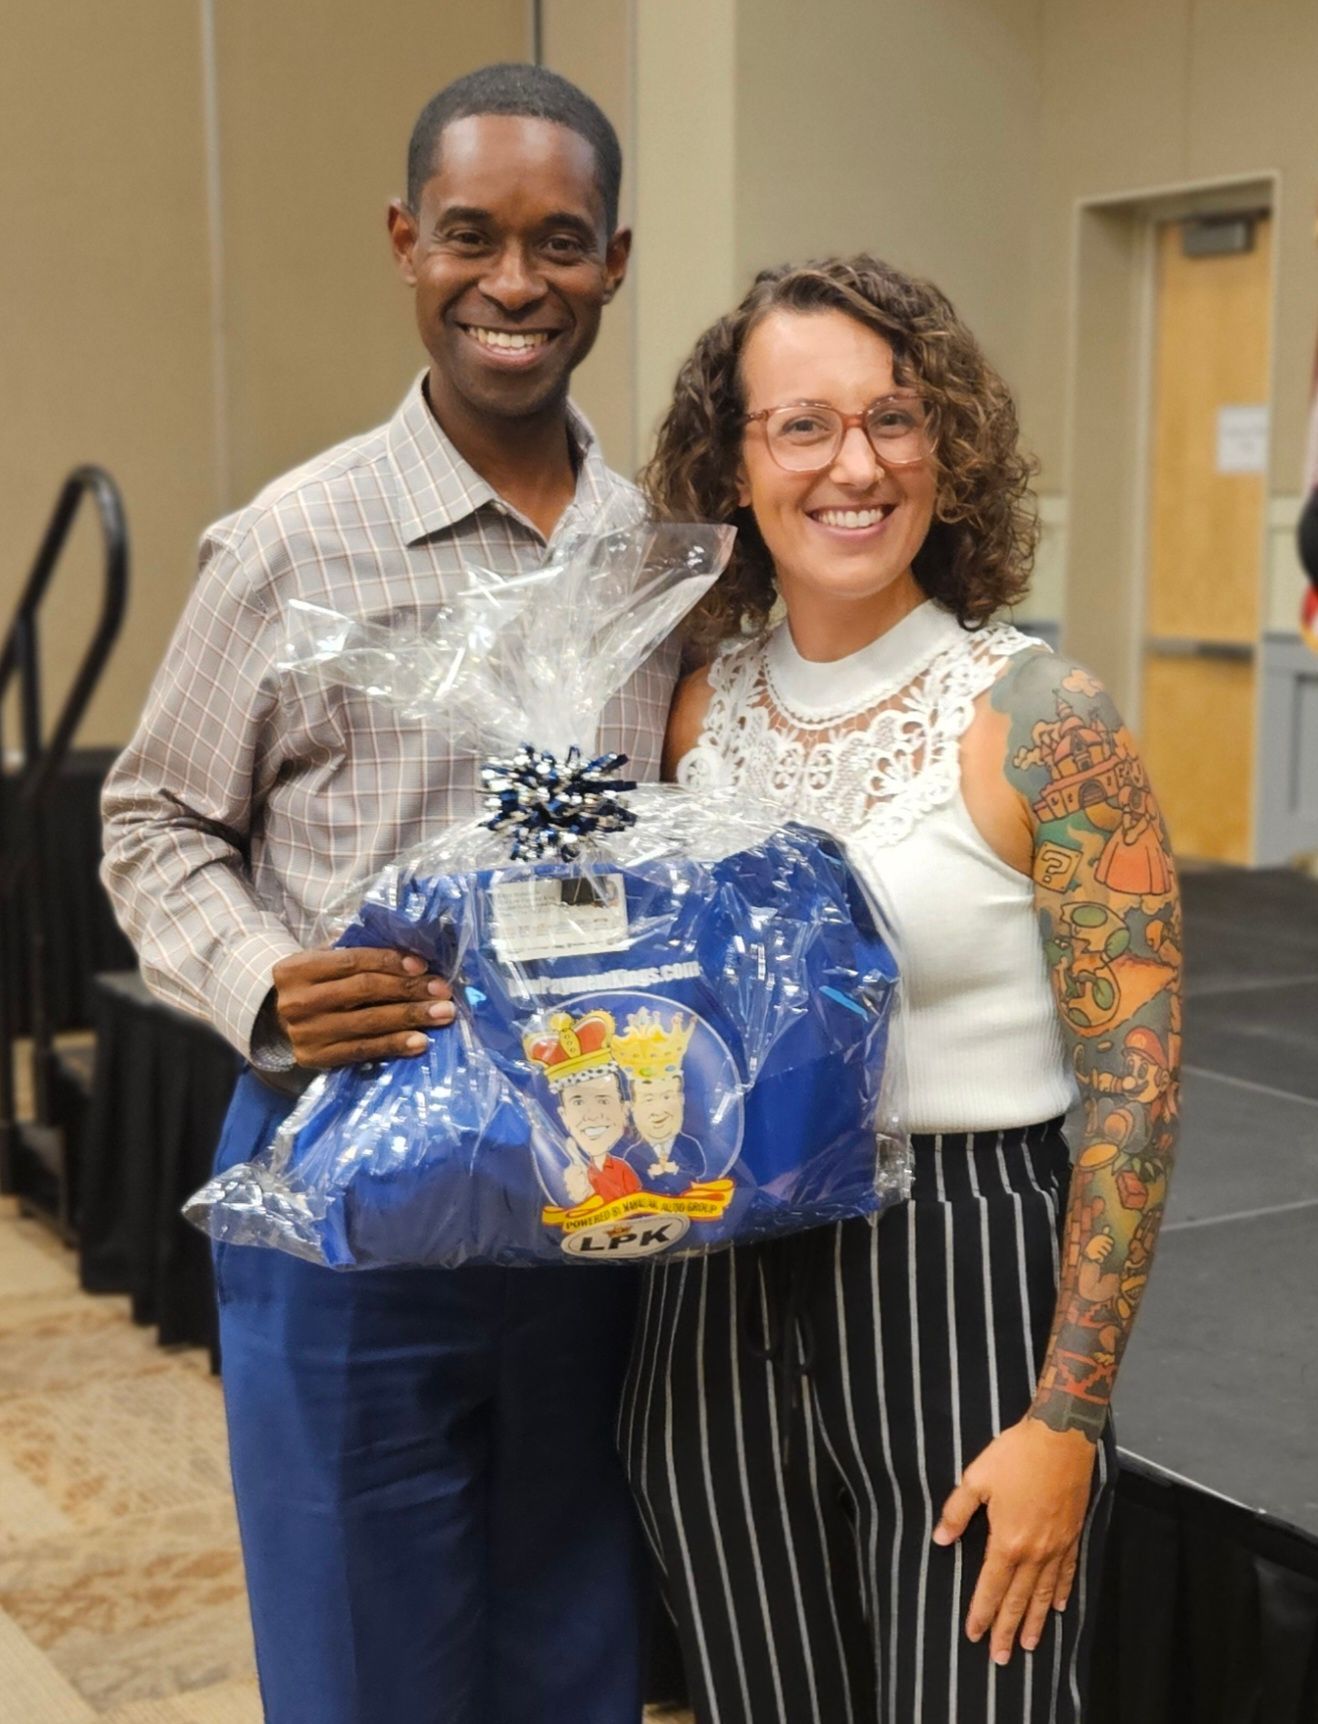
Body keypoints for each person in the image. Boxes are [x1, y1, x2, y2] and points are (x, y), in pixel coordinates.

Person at [102, 63, 671, 1724]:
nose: (514, 282)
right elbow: (151, 821)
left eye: (558, 243)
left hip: (593, 1189)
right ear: (404, 242)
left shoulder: (657, 555)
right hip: (341, 1187)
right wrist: (263, 980)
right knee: (364, 1659)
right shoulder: (293, 542)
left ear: (614, 261)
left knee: (575, 1639)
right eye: (471, 237)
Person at [620, 257, 1183, 1723]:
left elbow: (1136, 1096)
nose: (854, 465)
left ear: (951, 446)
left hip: (963, 1274)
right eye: (799, 426)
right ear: (731, 466)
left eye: (894, 418)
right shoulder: (694, 704)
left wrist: (1067, 1421)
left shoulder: (1037, 717)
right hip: (713, 1297)